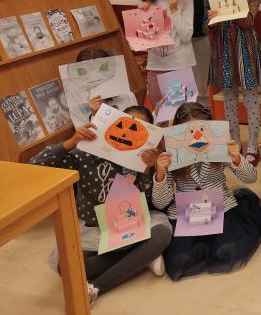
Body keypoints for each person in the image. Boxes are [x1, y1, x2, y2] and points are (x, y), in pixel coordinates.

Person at [29, 105, 171, 308]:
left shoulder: (142, 159)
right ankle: (143, 257)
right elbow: (35, 166)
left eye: (137, 128)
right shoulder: (85, 154)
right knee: (67, 269)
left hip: (134, 223)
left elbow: (153, 203)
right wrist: (71, 142)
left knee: (162, 234)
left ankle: (95, 287)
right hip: (97, 228)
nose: (127, 132)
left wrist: (149, 170)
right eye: (124, 123)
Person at [152, 102, 261, 281]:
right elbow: (161, 202)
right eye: (189, 132)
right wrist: (160, 174)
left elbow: (251, 177)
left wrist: (237, 159)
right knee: (179, 260)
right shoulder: (170, 154)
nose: (196, 136)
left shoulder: (220, 146)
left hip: (220, 207)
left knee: (227, 251)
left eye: (201, 130)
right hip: (186, 211)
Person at [206, 0, 261, 165]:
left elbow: (247, 21)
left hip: (245, 45)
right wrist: (209, 19)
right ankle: (235, 142)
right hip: (222, 46)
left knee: (250, 96)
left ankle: (252, 146)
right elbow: (205, 27)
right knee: (229, 98)